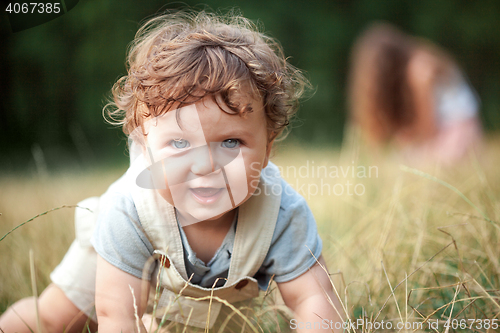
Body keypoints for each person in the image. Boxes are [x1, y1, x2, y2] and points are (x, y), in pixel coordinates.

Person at [0, 10, 344, 333]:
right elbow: (117, 315)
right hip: (119, 264)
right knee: (58, 318)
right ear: (145, 149)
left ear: (268, 148)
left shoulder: (282, 212)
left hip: (193, 303)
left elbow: (314, 299)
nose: (206, 165)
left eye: (231, 142)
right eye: (180, 144)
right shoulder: (128, 211)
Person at [347, 22, 482, 165]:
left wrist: (408, 137)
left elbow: (428, 132)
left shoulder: (420, 71)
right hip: (457, 132)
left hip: (458, 136)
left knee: (409, 160)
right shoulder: (419, 60)